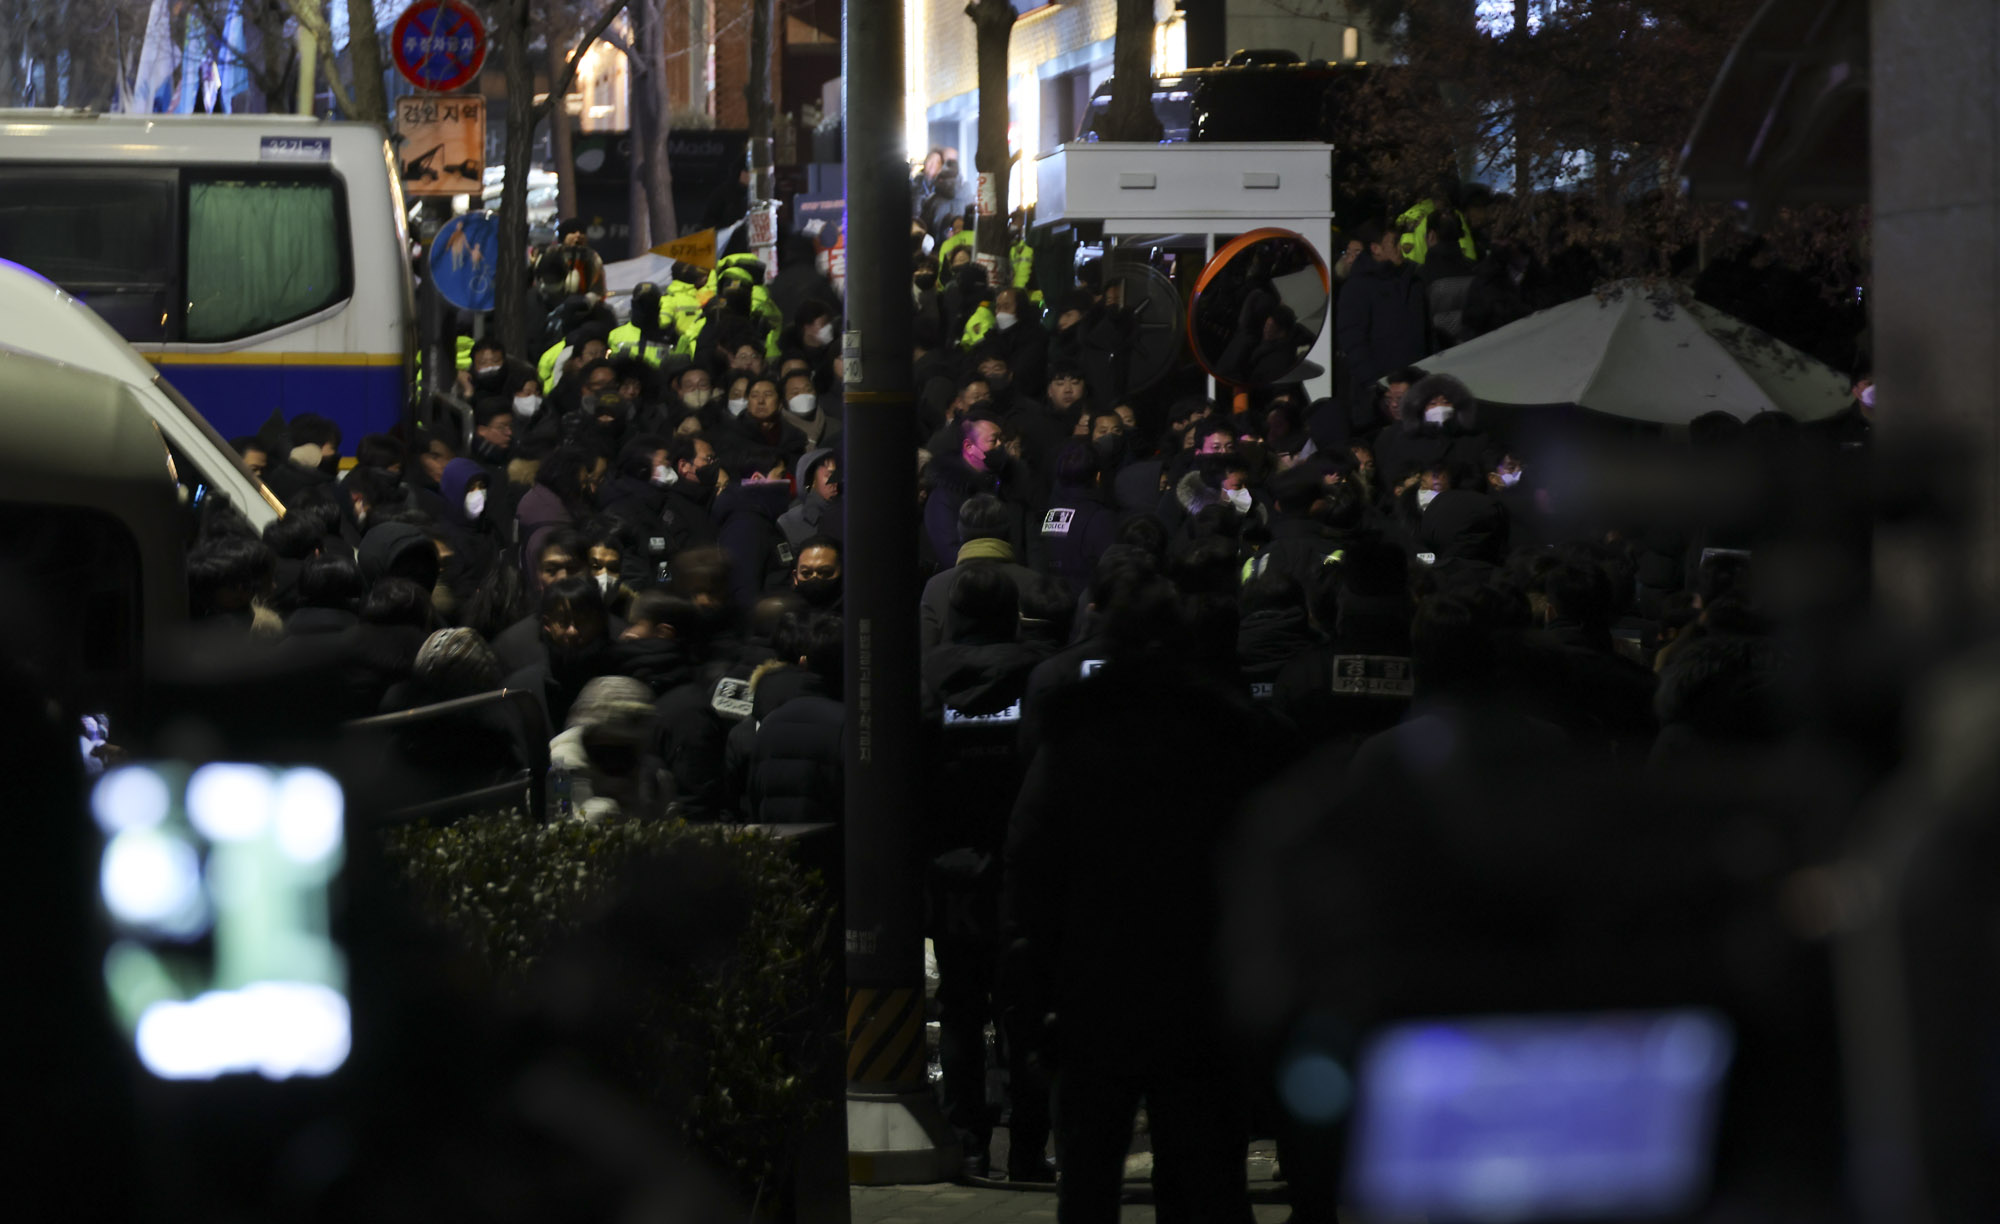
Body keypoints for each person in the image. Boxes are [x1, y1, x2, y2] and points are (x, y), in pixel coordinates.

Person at [1004, 571, 1276, 1222]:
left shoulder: (1073, 731)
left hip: (1095, 977)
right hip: (1202, 980)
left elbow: (1032, 866)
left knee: (1091, 1174)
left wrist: (1032, 988)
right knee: (1206, 1174)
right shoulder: (1232, 731)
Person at [918, 567, 1052, 1181]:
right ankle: (1027, 1152)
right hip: (1023, 870)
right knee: (1025, 1014)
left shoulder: (924, 675)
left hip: (950, 870)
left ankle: (966, 1143)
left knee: (961, 1010)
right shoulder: (1039, 675)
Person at [1335, 220, 1430, 445]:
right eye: (1394, 242)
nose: (1401, 247)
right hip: (1380, 401)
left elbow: (1427, 332)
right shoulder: (1358, 287)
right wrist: (1377, 386)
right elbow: (1352, 340)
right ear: (1376, 248)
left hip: (1417, 390)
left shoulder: (1413, 282)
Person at [920, 494, 1038, 652]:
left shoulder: (935, 587)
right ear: (1009, 532)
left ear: (960, 533)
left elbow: (925, 652)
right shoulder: (1033, 583)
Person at [777, 447, 842, 550]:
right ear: (811, 480)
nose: (835, 482)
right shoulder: (788, 523)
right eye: (829, 475)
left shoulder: (850, 518)